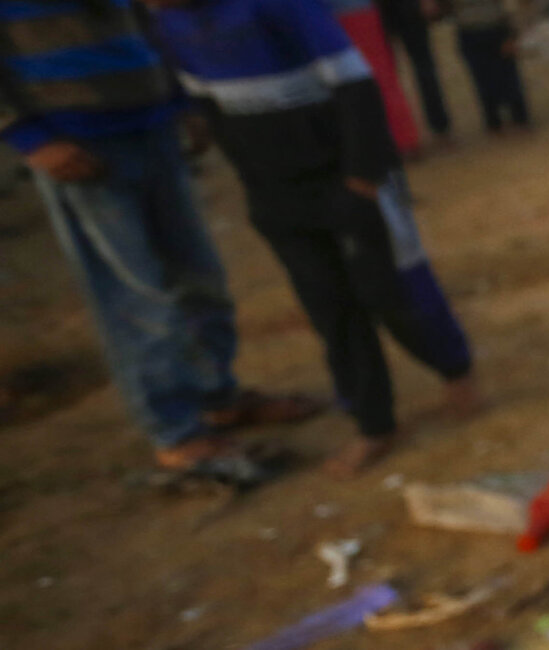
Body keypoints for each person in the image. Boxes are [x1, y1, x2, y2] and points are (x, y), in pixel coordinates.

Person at [142, 0, 482, 475]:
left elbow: (355, 87)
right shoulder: (169, 25)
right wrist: (257, 193)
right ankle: (373, 424)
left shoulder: (284, 7)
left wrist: (362, 182)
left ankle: (454, 367)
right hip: (277, 197)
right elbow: (210, 109)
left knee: (392, 291)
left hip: (346, 179)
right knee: (330, 311)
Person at [0, 0, 323, 485]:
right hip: (77, 143)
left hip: (151, 125)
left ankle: (218, 399)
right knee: (136, 297)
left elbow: (145, 21)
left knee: (199, 274)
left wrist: (179, 99)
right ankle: (175, 432)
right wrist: (28, 136)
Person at [330, 0, 424, 156]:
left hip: (346, 14)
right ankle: (403, 138)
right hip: (355, 12)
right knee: (380, 73)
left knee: (372, 75)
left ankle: (400, 139)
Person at [446, 0, 530, 134]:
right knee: (481, 79)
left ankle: (519, 116)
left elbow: (516, 5)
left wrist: (513, 34)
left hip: (496, 27)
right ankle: (493, 119)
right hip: (468, 31)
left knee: (508, 77)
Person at [376, 0, 452, 142]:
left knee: (424, 70)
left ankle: (440, 126)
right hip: (379, 12)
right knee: (386, 73)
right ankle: (401, 134)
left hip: (407, 10)